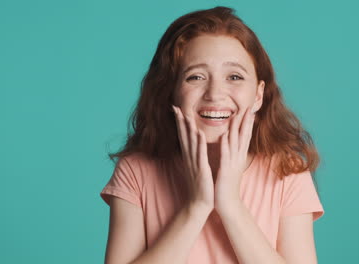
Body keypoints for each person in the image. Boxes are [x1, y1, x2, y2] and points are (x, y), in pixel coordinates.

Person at [100, 6, 325, 264]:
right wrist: (197, 206)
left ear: (258, 95)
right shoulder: (136, 170)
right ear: (170, 91)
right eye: (195, 77)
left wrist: (230, 205)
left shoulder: (287, 172)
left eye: (235, 76)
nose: (215, 93)